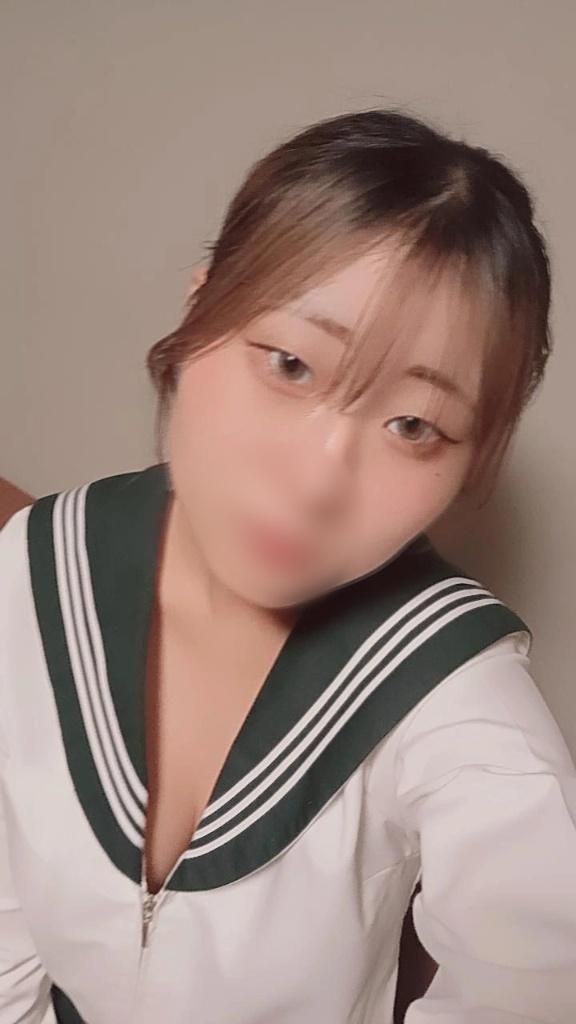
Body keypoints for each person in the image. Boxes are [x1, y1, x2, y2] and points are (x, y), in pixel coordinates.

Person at [1, 108, 575, 1024]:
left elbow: (541, 983)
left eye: (413, 425)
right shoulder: (37, 565)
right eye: (292, 366)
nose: (317, 483)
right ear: (200, 310)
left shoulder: (448, 683)